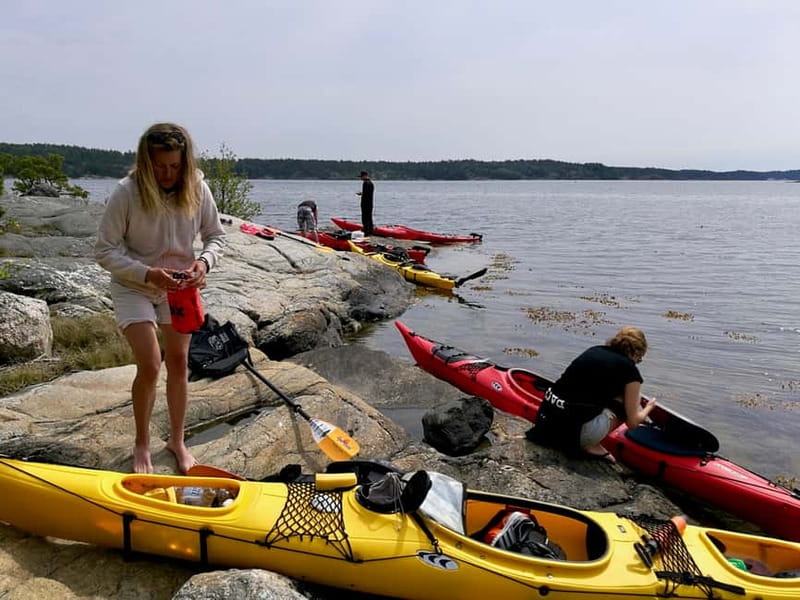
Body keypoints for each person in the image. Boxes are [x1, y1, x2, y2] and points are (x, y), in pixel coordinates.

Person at [94, 123, 225, 474]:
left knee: (179, 363)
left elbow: (216, 236)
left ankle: (178, 441)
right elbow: (104, 250)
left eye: (175, 166)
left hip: (181, 287)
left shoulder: (197, 186)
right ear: (146, 162)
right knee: (151, 364)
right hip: (134, 283)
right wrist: (147, 273)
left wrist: (203, 262)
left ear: (185, 162)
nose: (168, 173)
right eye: (160, 166)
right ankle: (141, 445)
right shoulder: (127, 191)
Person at [531, 327, 656, 463]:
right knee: (627, 402)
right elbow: (632, 423)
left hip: (545, 419)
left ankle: (583, 432)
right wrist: (648, 408)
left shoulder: (594, 350)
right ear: (636, 353)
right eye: (639, 359)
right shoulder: (630, 371)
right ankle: (590, 444)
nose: (638, 362)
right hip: (575, 434)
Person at [356, 170, 374, 236]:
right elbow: (368, 193)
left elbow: (366, 194)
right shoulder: (371, 183)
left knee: (365, 217)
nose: (361, 178)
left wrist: (361, 194)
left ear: (364, 176)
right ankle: (370, 230)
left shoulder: (365, 183)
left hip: (365, 203)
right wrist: (362, 193)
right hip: (370, 203)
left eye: (361, 177)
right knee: (369, 217)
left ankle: (366, 231)